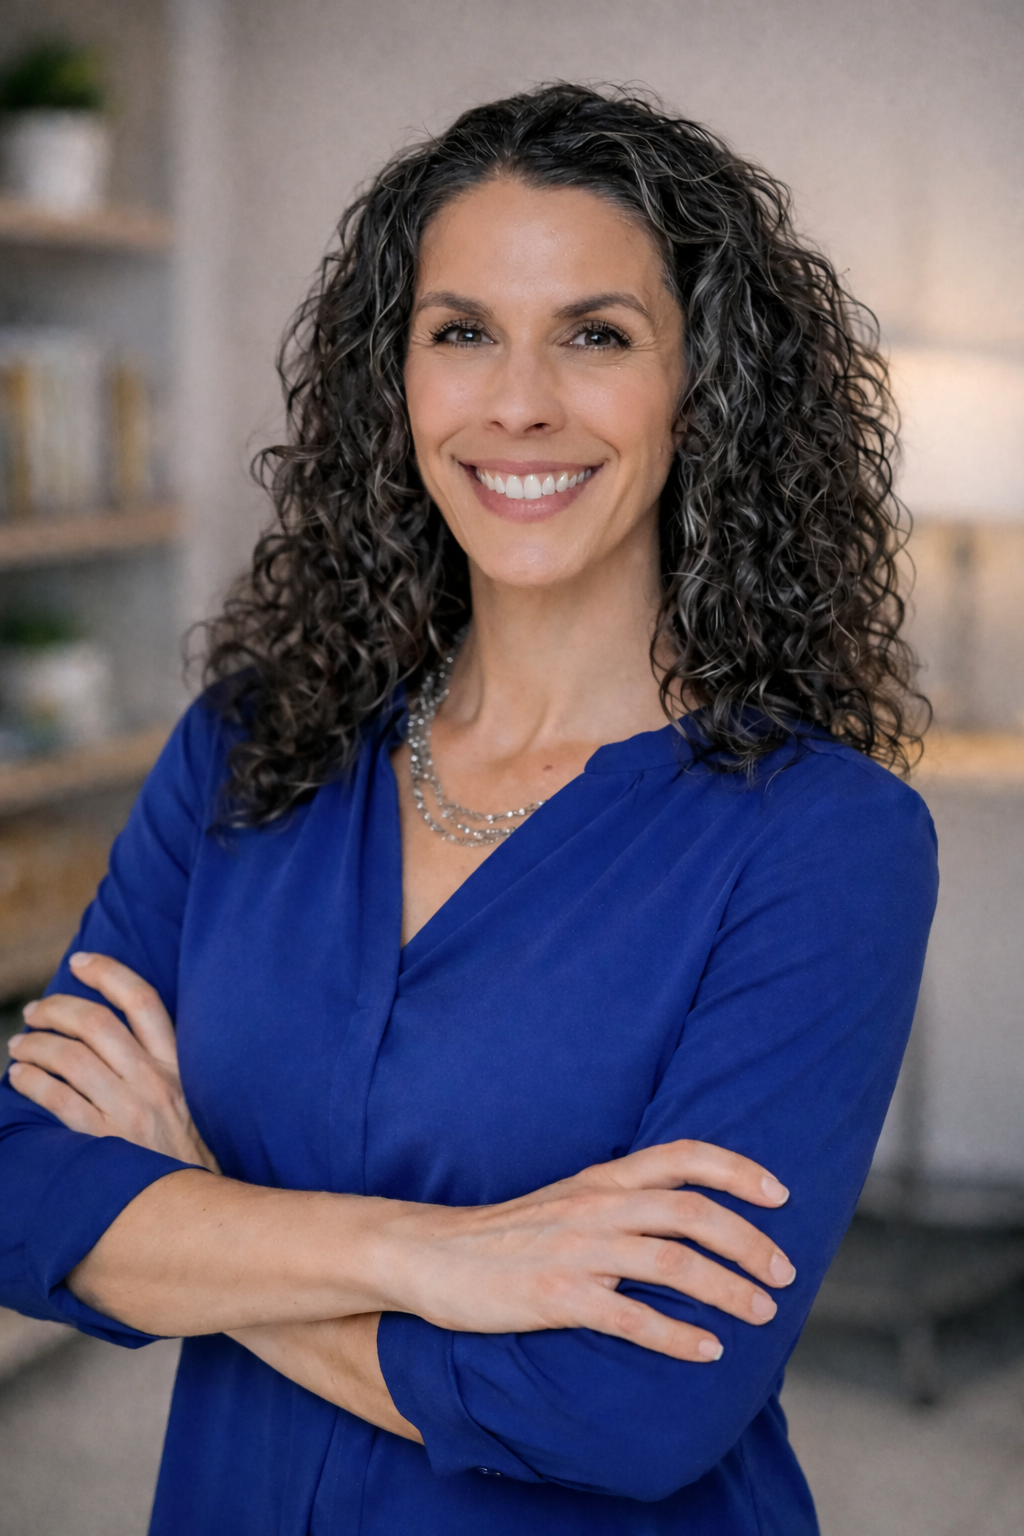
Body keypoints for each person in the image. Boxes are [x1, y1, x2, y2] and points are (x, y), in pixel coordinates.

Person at [0, 84, 937, 1535]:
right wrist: (436, 1257)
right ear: (398, 377)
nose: (519, 401)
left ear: (706, 387)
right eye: (462, 332)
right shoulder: (250, 750)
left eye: (596, 334)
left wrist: (192, 1204)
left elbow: (632, 1408)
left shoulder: (826, 841)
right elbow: (27, 1190)